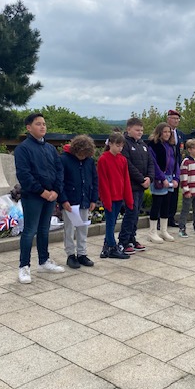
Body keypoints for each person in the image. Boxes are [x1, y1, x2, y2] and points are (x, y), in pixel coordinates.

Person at [14, 113, 66, 284]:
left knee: (44, 229)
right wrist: (41, 191)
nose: (42, 126)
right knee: (30, 231)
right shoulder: (23, 149)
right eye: (38, 124)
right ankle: (24, 266)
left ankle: (44, 261)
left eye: (44, 123)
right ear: (29, 128)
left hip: (50, 196)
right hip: (33, 197)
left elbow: (59, 170)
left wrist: (56, 191)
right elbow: (24, 175)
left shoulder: (50, 148)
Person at [59, 135, 97, 269]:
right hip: (70, 202)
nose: (82, 157)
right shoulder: (64, 159)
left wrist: (93, 199)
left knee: (83, 228)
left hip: (85, 199)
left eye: (85, 155)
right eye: (81, 154)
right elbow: (60, 182)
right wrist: (63, 200)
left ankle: (82, 253)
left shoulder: (89, 161)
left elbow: (94, 180)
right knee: (69, 229)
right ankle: (70, 254)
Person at [119, 117, 154, 255]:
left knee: (136, 214)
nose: (140, 132)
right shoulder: (125, 144)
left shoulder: (143, 144)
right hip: (131, 186)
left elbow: (150, 162)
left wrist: (150, 178)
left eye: (142, 130)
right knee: (130, 213)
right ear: (129, 129)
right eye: (137, 130)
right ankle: (123, 241)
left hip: (141, 186)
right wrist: (141, 179)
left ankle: (132, 238)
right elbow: (127, 165)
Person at [97, 132, 133, 259]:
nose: (120, 148)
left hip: (119, 196)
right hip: (110, 197)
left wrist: (128, 198)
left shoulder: (122, 159)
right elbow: (103, 181)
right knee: (110, 222)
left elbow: (126, 179)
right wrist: (106, 199)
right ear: (110, 144)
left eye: (122, 146)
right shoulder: (103, 159)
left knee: (112, 222)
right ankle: (112, 247)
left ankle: (106, 246)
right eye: (118, 145)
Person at [147, 122, 180, 242]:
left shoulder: (171, 145)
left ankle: (164, 230)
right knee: (157, 204)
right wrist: (162, 178)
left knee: (167, 204)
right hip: (159, 178)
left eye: (168, 132)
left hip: (171, 177)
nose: (167, 134)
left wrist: (176, 178)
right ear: (159, 132)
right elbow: (153, 163)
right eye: (164, 132)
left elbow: (176, 162)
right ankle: (152, 232)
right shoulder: (154, 145)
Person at [166, 109, 185, 228]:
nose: (176, 121)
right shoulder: (164, 132)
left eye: (178, 119)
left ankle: (171, 218)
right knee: (165, 195)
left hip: (176, 167)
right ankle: (161, 218)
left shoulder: (180, 134)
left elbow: (181, 151)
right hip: (167, 167)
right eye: (174, 118)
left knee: (174, 195)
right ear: (168, 119)